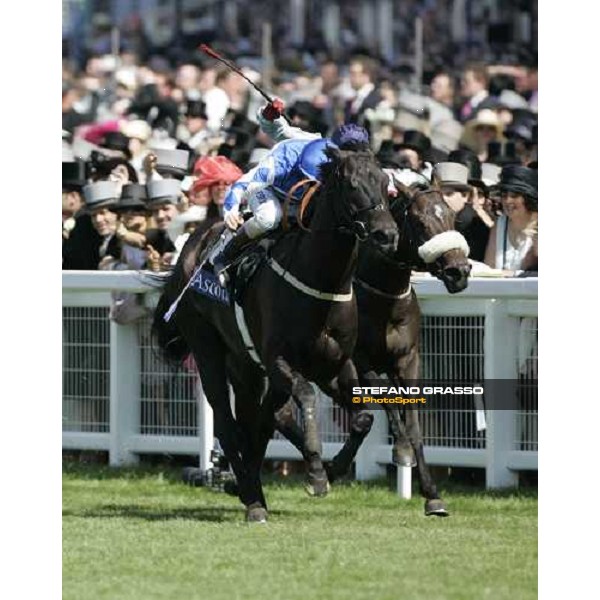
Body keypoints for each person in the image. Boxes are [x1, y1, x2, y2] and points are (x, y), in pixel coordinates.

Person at [210, 113, 371, 282]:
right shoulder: (282, 160)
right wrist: (230, 210)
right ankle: (226, 253)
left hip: (298, 200)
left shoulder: (336, 160)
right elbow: (243, 183)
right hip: (267, 189)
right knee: (270, 217)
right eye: (305, 178)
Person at [484, 165, 538, 273]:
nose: (507, 201)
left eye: (514, 196)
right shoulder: (499, 225)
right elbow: (488, 271)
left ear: (528, 198)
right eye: (504, 196)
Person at [145, 179, 181, 271]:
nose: (160, 216)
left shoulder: (195, 236)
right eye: (155, 211)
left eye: (166, 209)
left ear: (180, 209)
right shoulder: (156, 240)